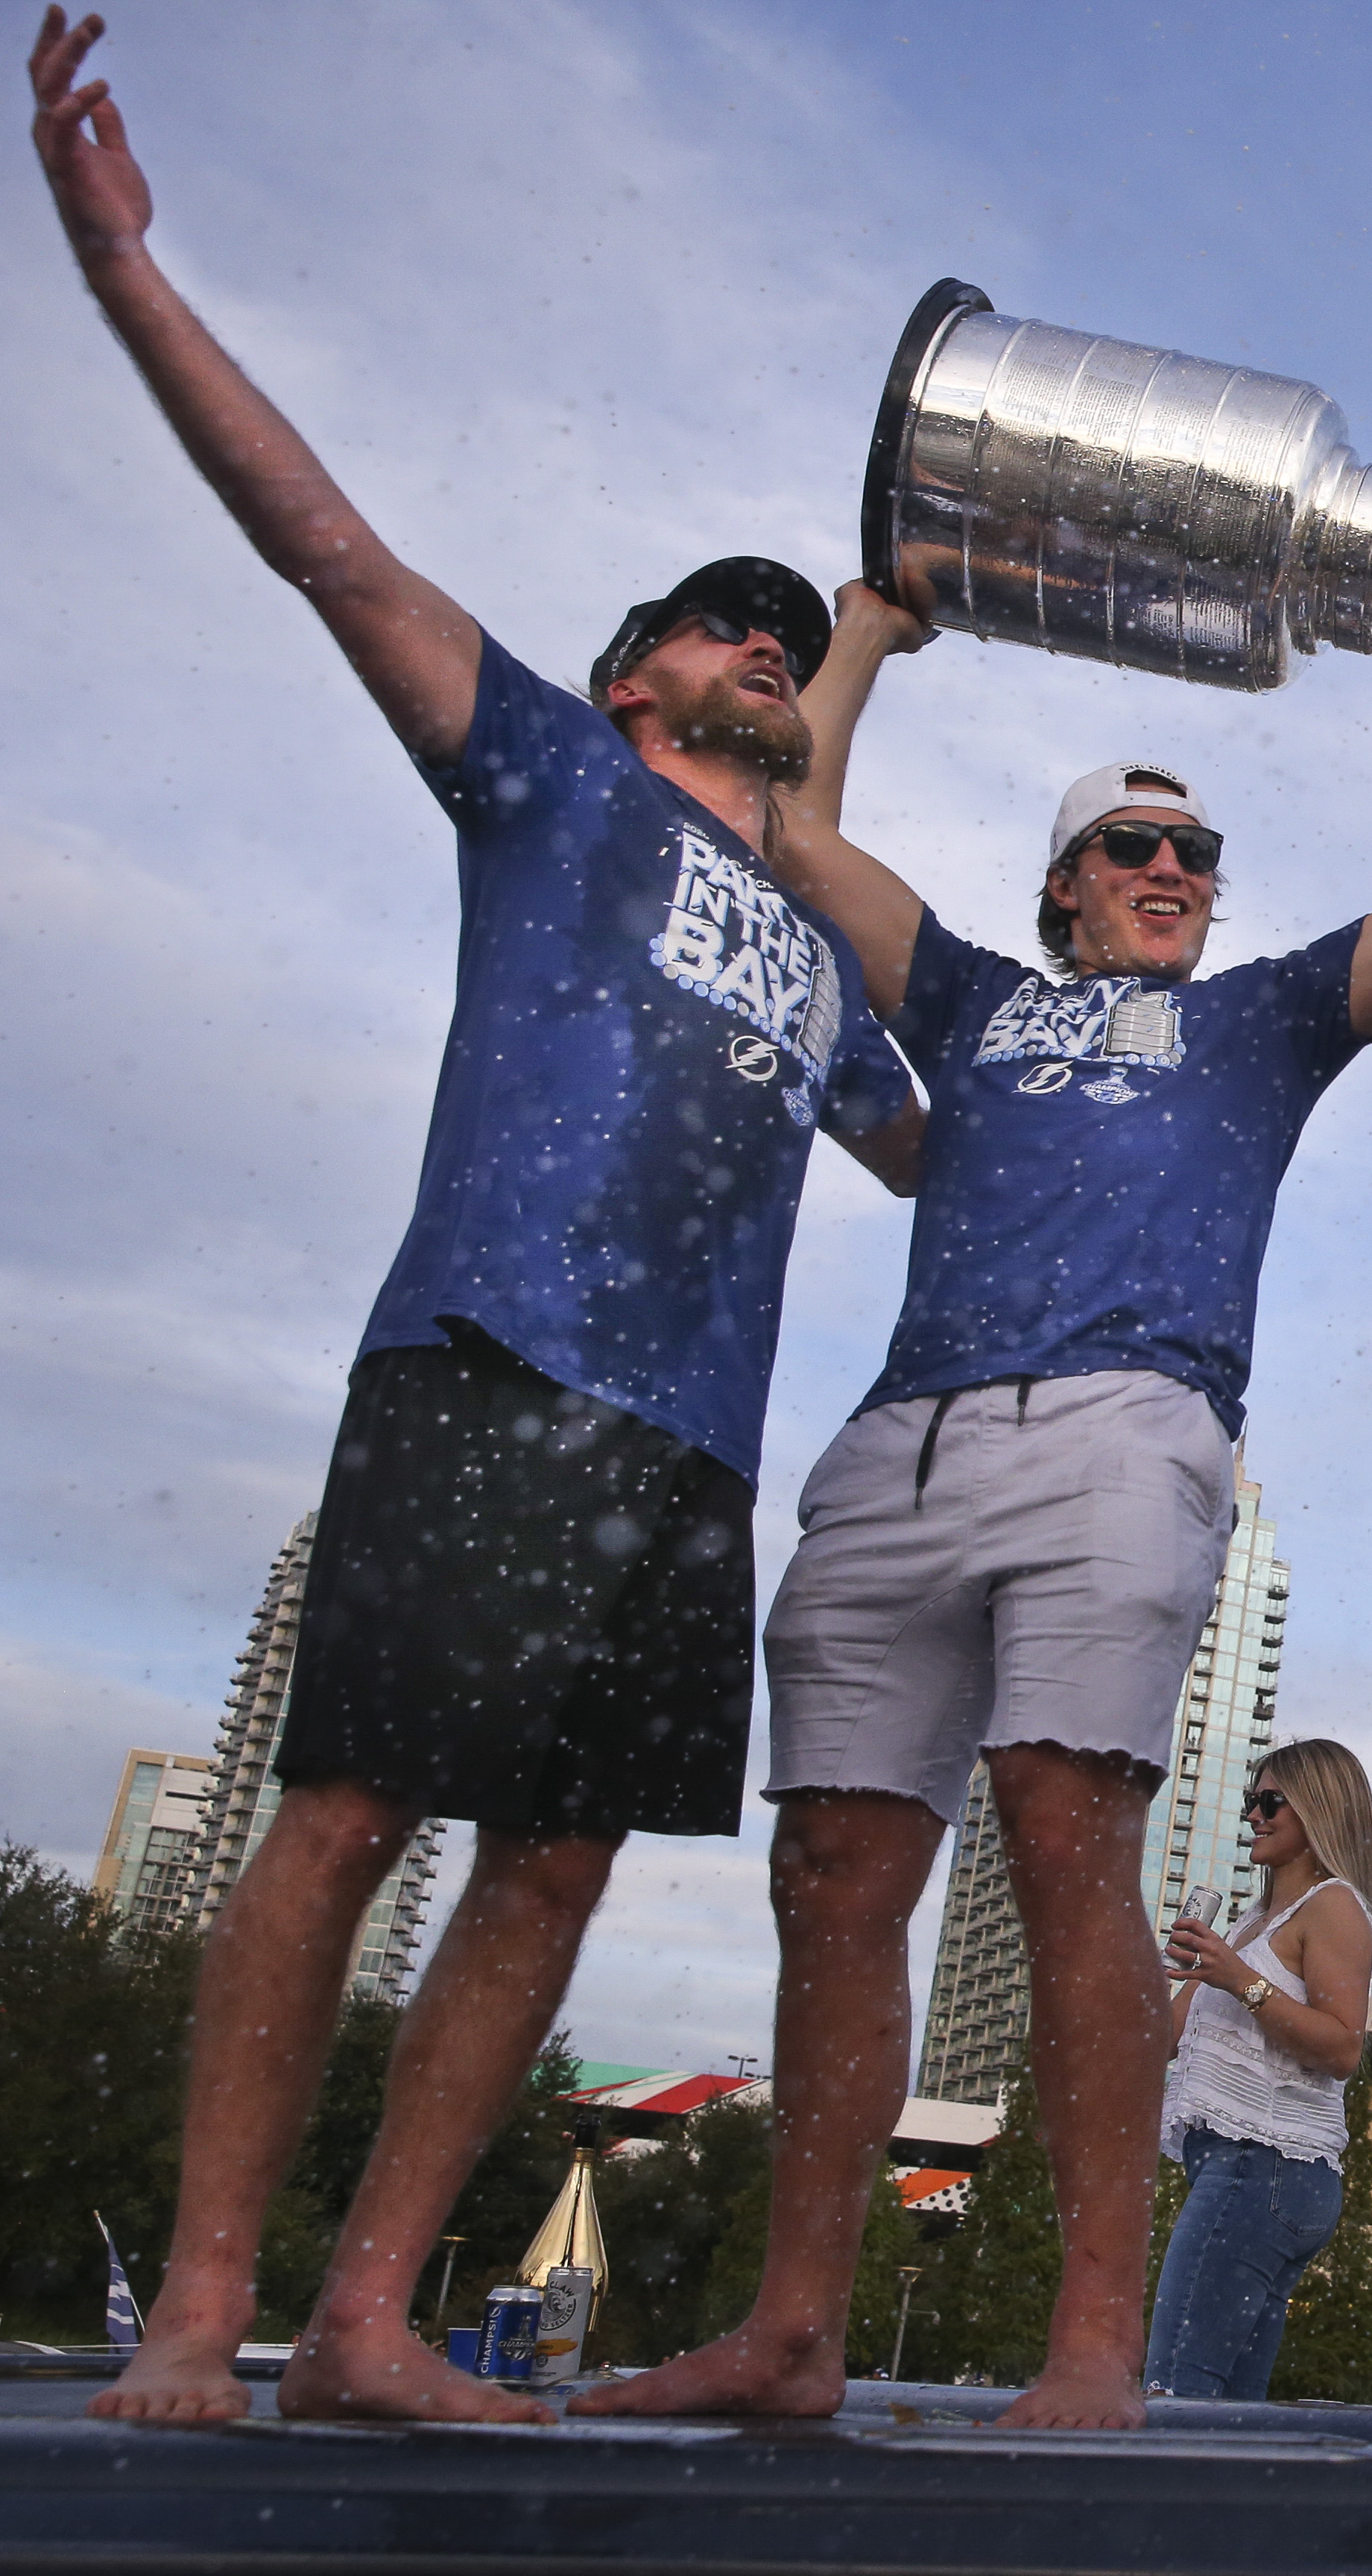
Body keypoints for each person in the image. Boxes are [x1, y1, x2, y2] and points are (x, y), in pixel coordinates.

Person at [34, 13, 921, 2426]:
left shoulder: (826, 955)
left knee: (550, 1869)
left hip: (682, 1451)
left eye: (790, 639)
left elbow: (948, 1153)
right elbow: (318, 529)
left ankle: (365, 2308)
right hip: (489, 1357)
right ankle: (205, 2297)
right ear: (640, 669)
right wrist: (126, 271)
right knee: (347, 1812)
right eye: (723, 627)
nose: (763, 647)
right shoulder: (541, 761)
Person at [581, 585, 1372, 2429]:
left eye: (1195, 849)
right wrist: (869, 631)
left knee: (1066, 1837)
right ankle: (794, 2323)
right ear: (1064, 879)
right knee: (832, 1869)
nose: (1170, 865)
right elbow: (804, 830)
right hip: (904, 1435)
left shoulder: (1259, 1017)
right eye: (1129, 844)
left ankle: (1088, 2339)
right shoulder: (977, 995)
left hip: (1129, 1423)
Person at [1142, 1742, 1372, 2400]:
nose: (1253, 1814)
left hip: (1264, 2166)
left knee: (1177, 2392)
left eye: (1269, 1801)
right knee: (1224, 2410)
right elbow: (1164, 2039)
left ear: (1317, 1810)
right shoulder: (1252, 1922)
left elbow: (1341, 2049)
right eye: (1252, 1801)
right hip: (1248, 2172)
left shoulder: (1332, 1907)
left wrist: (1238, 1978)